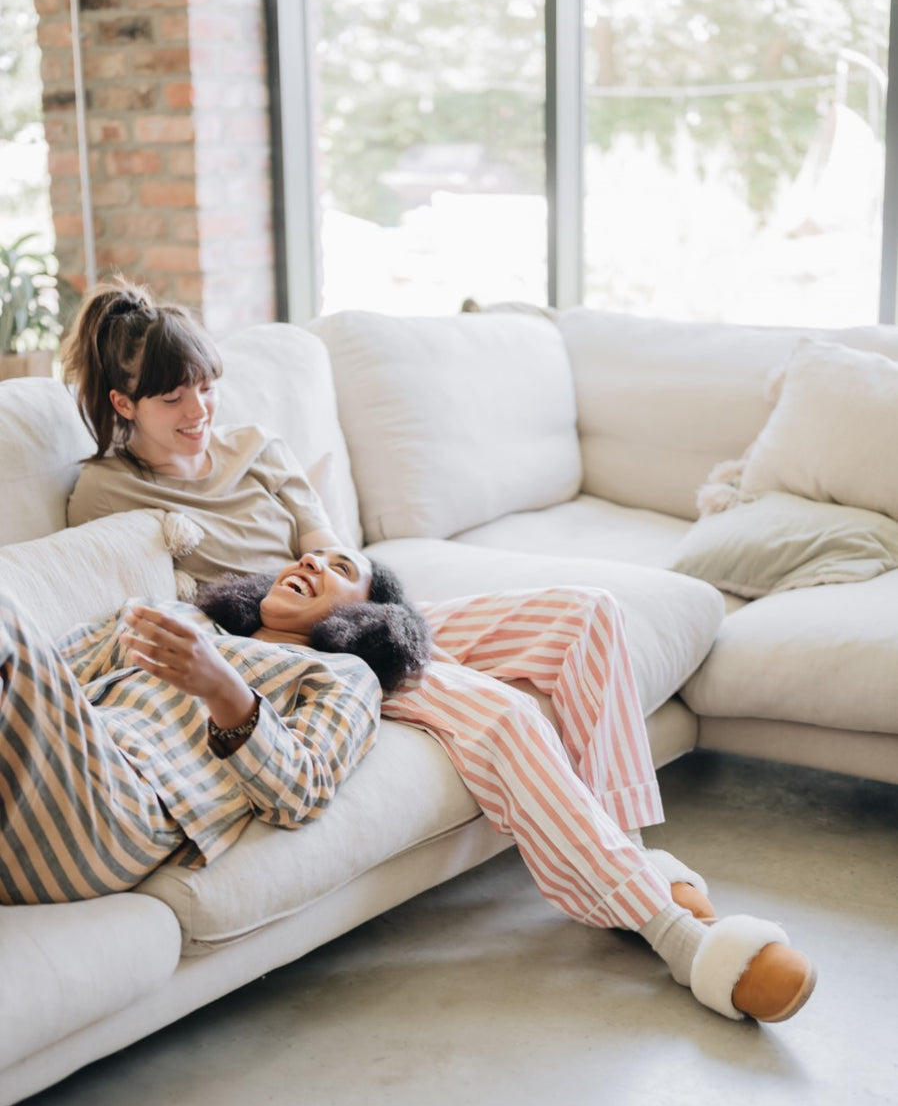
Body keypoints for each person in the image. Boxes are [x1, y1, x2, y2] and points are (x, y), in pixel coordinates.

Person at [61, 279, 818, 1024]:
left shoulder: (256, 449)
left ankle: (630, 854)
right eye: (173, 399)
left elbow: (333, 553)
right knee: (499, 717)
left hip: (358, 615)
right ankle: (673, 932)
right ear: (124, 406)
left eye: (205, 386)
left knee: (587, 615)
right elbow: (179, 624)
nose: (200, 412)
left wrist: (355, 598)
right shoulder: (106, 494)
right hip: (297, 660)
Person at [0, 549, 429, 906]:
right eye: (310, 556)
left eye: (341, 568)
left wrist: (223, 689)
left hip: (115, 810)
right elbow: (48, 674)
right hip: (32, 763)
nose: (312, 560)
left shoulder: (343, 675)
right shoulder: (172, 616)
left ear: (368, 615)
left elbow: (302, 791)